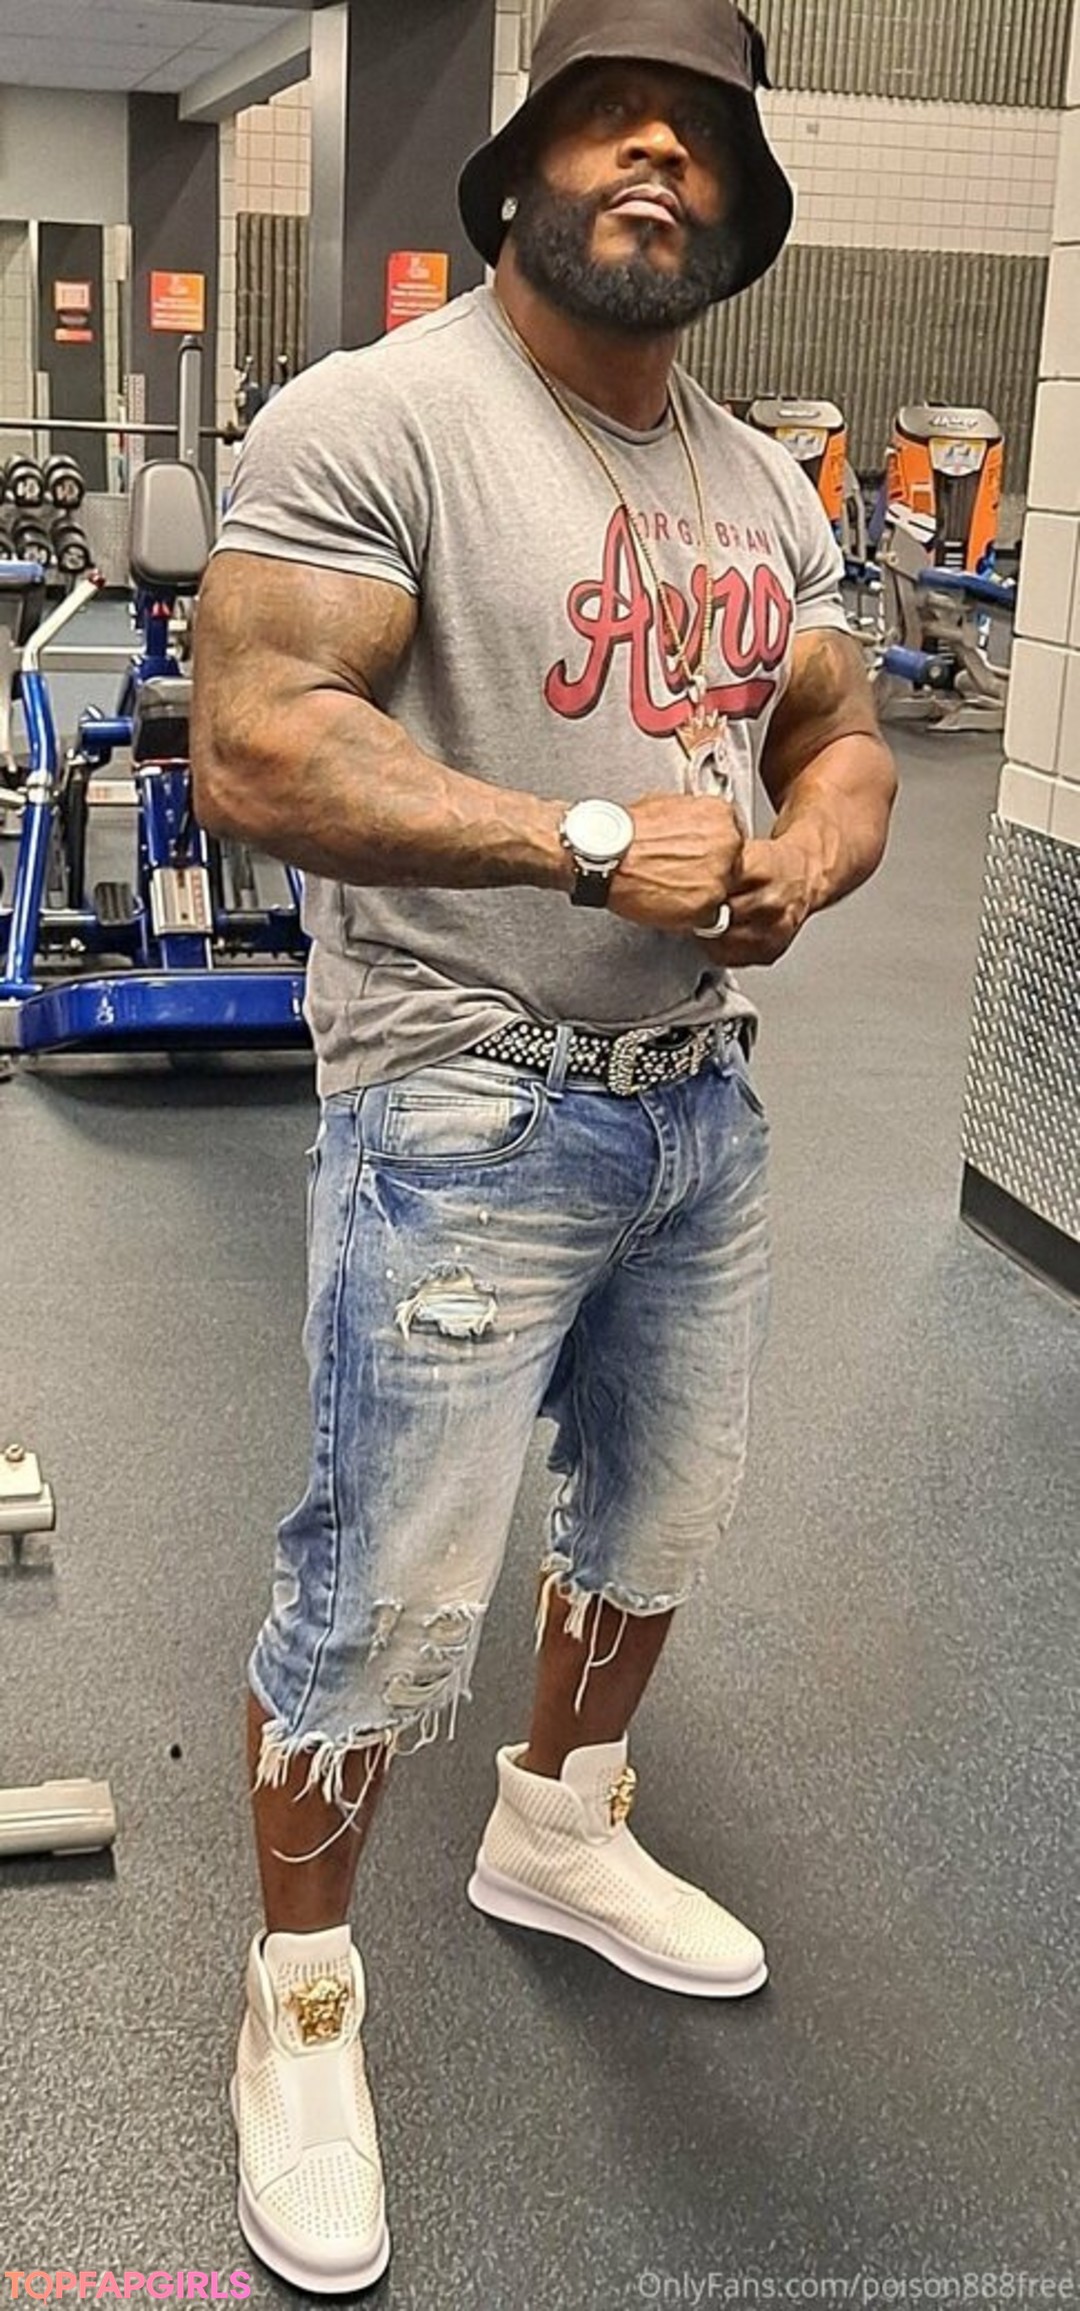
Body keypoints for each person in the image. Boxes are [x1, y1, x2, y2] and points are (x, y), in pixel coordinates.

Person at [192, 0, 898, 2290]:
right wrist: (585, 836)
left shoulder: (762, 485)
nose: (654, 160)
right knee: (383, 1593)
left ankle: (559, 1831)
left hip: (698, 1101)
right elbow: (258, 739)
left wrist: (809, 851)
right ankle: (301, 2009)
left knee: (658, 1519)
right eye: (608, 119)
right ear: (520, 171)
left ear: (745, 208)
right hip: (461, 1091)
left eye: (698, 137)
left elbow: (841, 732)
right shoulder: (383, 420)